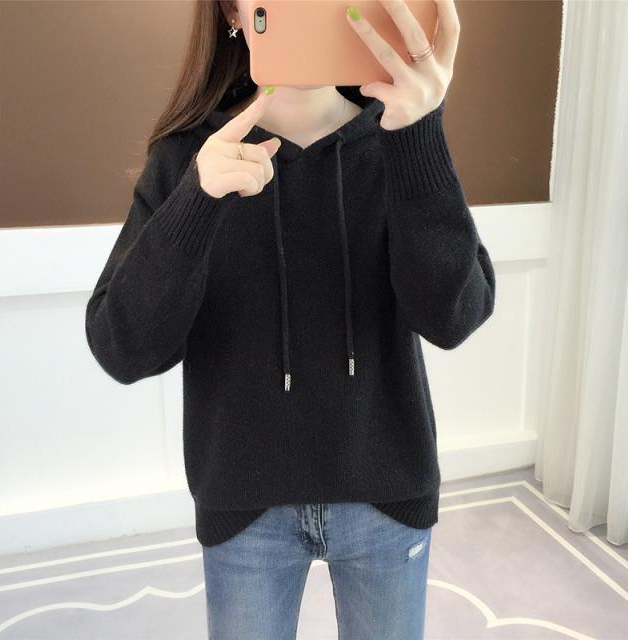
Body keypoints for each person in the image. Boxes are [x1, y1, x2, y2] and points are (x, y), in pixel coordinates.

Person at [85, 1, 495, 638]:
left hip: (386, 493)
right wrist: (197, 201)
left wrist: (420, 134)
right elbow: (124, 348)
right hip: (244, 506)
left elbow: (455, 316)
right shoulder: (189, 157)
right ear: (234, 11)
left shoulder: (400, 138)